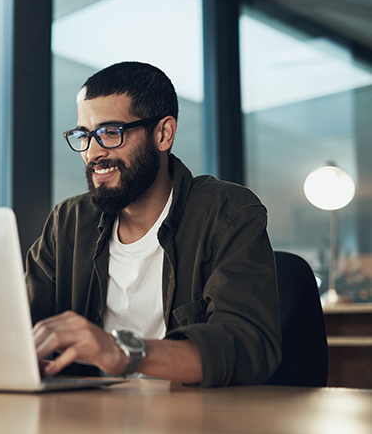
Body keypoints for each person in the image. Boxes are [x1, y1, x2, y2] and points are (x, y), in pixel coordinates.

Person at [26, 62, 282, 387]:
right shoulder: (69, 222)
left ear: (163, 134)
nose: (92, 153)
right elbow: (20, 323)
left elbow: (248, 345)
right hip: (86, 419)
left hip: (191, 422)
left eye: (110, 132)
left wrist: (123, 352)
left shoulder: (227, 212)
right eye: (84, 135)